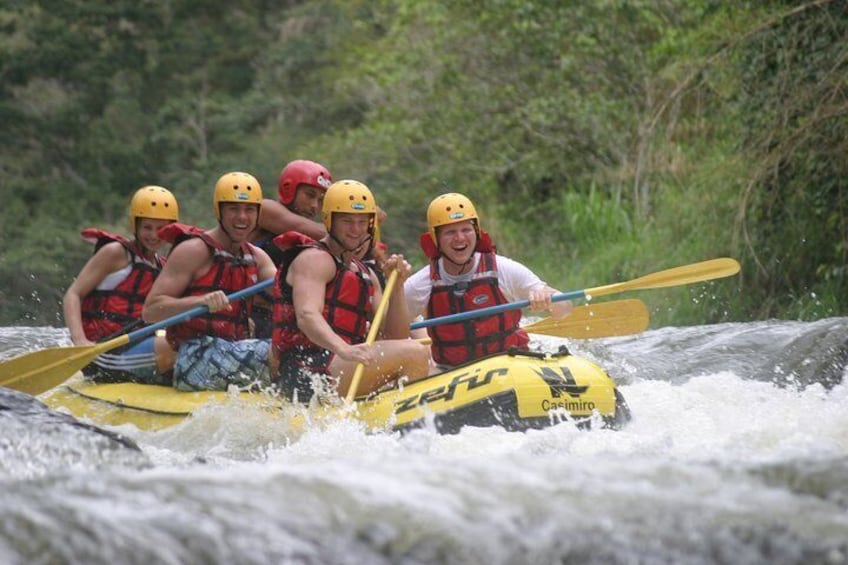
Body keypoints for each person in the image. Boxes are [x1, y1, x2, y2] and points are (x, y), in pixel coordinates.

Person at [268, 179, 429, 402]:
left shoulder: (365, 274)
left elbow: (396, 336)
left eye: (362, 222)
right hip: (305, 370)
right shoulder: (313, 259)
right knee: (416, 353)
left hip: (338, 366)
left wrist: (397, 286)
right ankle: (399, 423)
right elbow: (307, 316)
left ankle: (386, 417)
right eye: (347, 221)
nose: (356, 230)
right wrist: (343, 349)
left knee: (414, 349)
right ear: (329, 220)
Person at [142, 171, 277, 391]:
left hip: (234, 350)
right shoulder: (193, 250)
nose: (242, 217)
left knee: (292, 347)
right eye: (233, 209)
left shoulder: (257, 257)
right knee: (278, 352)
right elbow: (150, 311)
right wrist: (198, 302)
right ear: (219, 211)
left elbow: (286, 291)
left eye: (249, 209)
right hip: (193, 359)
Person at [405, 192, 572, 368]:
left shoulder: (504, 270)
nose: (460, 238)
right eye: (450, 232)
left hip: (511, 364)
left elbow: (565, 308)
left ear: (476, 232)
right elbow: (392, 328)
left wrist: (548, 299)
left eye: (466, 230)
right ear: (435, 238)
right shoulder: (420, 284)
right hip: (450, 372)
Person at [62, 185, 179, 384]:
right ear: (135, 226)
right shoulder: (116, 253)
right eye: (147, 227)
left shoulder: (163, 266)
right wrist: (80, 342)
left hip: (136, 346)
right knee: (176, 347)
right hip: (103, 353)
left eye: (161, 229)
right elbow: (73, 295)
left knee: (191, 343)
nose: (153, 235)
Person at [251, 159, 333, 338]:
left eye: (320, 201)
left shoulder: (320, 236)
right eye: (309, 195)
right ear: (289, 190)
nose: (314, 206)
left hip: (285, 319)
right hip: (251, 314)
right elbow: (301, 228)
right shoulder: (264, 209)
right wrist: (358, 225)